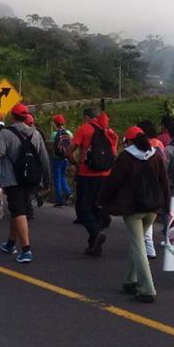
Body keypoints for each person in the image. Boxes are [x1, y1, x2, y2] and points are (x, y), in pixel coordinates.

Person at [98, 126, 169, 303]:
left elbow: (112, 183)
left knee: (138, 247)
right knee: (136, 242)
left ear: (129, 141)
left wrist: (102, 201)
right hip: (152, 209)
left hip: (132, 210)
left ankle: (147, 289)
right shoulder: (156, 156)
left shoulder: (125, 158)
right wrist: (165, 205)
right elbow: (164, 182)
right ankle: (130, 280)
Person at [0, 103, 51, 264]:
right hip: (31, 178)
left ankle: (26, 250)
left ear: (12, 116)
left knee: (18, 211)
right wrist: (47, 180)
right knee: (18, 209)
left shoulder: (5, 133)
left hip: (12, 179)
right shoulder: (36, 134)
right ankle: (10, 243)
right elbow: (44, 158)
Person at [65, 108, 119, 257]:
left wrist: (75, 163)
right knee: (97, 209)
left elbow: (69, 151)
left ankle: (96, 233)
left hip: (87, 175)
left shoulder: (85, 128)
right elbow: (114, 155)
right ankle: (94, 246)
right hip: (106, 176)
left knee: (82, 209)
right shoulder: (110, 132)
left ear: (87, 117)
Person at [137, 119, 166, 259]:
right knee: (149, 216)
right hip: (157, 184)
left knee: (143, 217)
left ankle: (148, 248)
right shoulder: (159, 143)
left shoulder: (145, 145)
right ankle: (147, 247)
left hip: (146, 185)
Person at [49, 114, 73, 207]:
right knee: (63, 176)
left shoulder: (54, 134)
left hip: (57, 158)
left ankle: (59, 200)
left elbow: (51, 147)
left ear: (55, 123)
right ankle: (68, 193)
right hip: (66, 158)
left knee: (57, 178)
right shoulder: (69, 133)